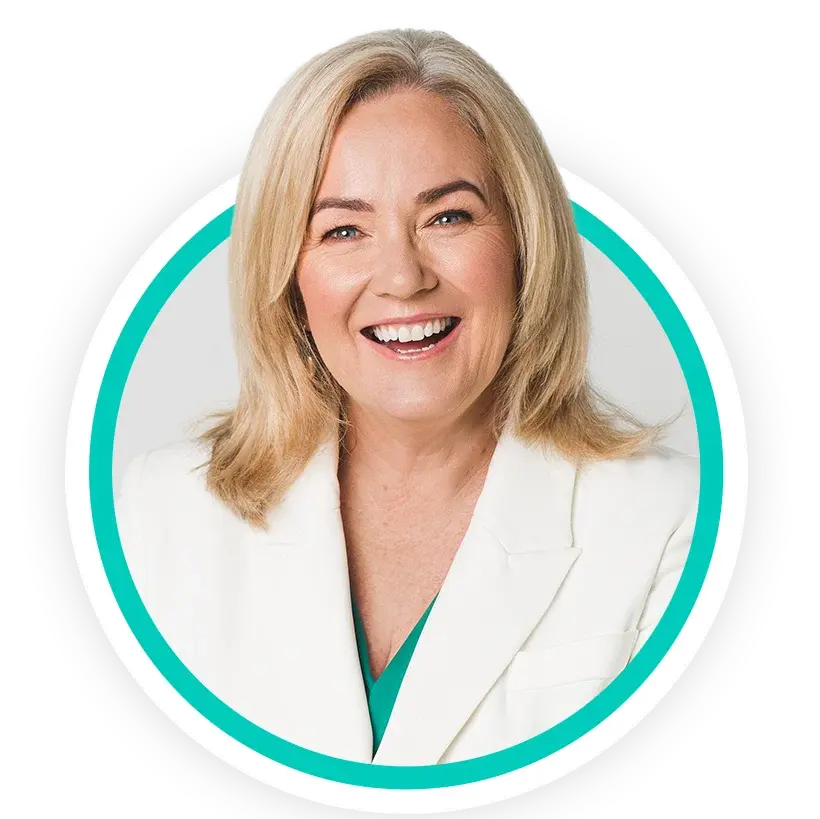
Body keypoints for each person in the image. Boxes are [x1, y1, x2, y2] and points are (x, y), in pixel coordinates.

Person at [116, 25, 699, 766]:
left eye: (448, 216)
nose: (402, 276)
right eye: (343, 229)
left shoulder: (674, 522)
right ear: (289, 277)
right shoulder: (158, 513)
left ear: (525, 243)